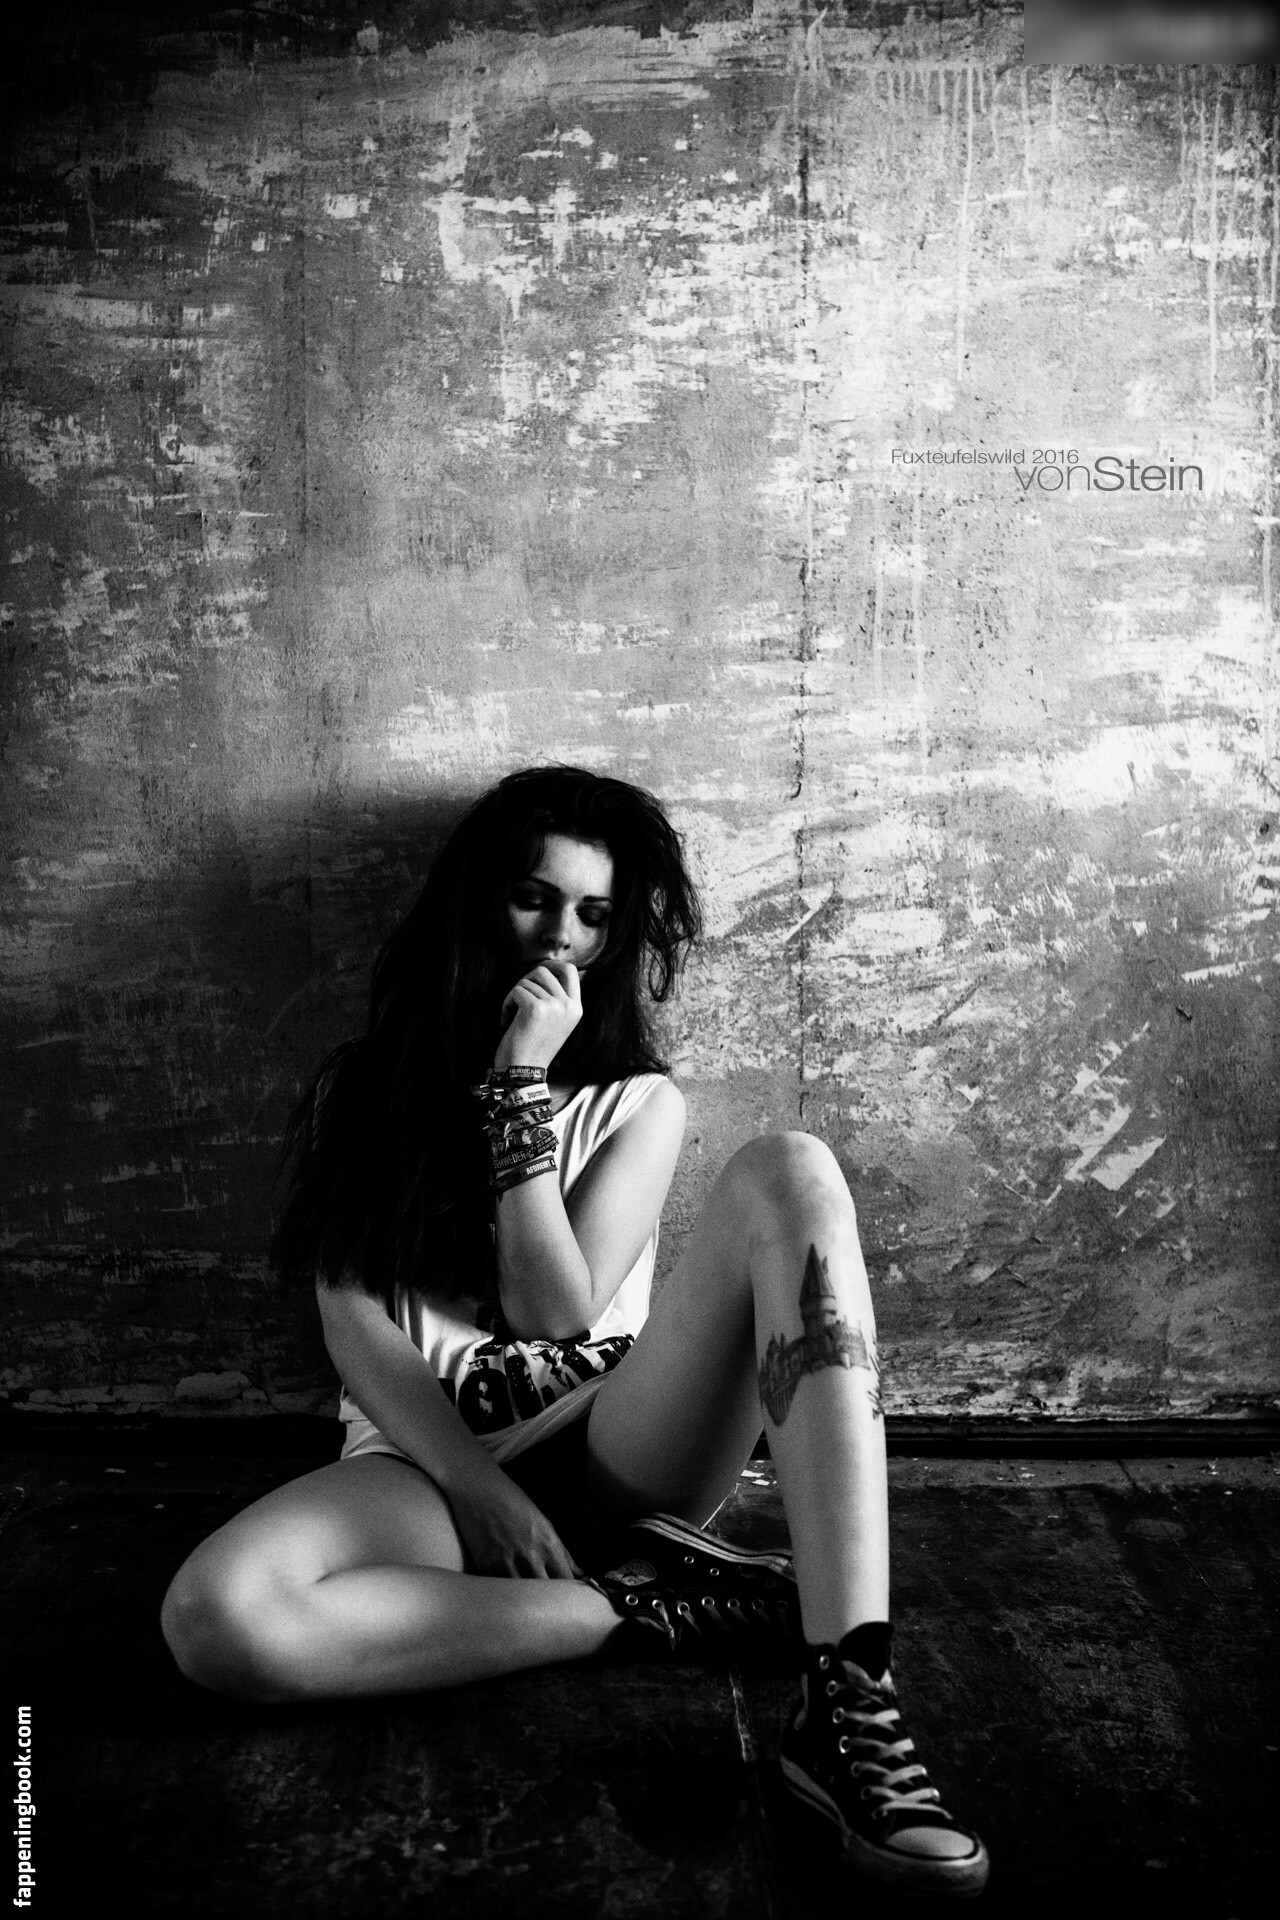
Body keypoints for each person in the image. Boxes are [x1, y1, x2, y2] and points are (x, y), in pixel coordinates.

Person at [160, 765, 990, 1900]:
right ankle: (651, 1609)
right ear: (477, 904)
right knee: (219, 1620)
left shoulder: (635, 1103)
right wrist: (477, 1491)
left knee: (790, 1170)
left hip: (616, 1437)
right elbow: (352, 1326)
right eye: (534, 899)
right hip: (423, 1462)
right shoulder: (368, 1095)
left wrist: (518, 1084)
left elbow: (554, 1310)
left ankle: (849, 1693)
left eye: (594, 915)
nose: (562, 936)